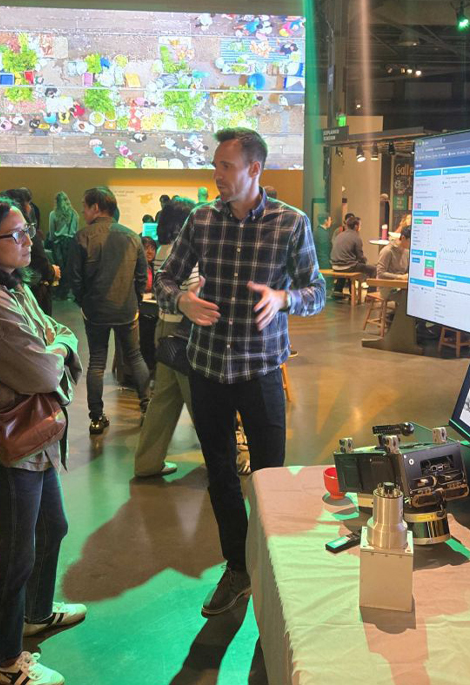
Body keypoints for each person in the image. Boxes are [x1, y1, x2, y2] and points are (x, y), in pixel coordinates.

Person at [155, 128, 325, 616]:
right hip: (207, 368)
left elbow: (317, 291)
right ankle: (237, 568)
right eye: (216, 165)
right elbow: (165, 278)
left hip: (261, 371)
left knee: (271, 479)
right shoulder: (201, 220)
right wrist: (182, 301)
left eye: (226, 166)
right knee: (221, 476)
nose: (217, 175)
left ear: (254, 169)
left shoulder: (289, 223)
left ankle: (273, 567)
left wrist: (284, 298)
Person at [0, 196, 86, 685]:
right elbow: (42, 371)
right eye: (16, 234)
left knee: (53, 527)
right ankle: (5, 660)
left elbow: (59, 332)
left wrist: (56, 347)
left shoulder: (15, 287)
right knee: (14, 553)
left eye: (27, 229)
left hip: (37, 435)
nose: (28, 239)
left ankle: (35, 613)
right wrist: (56, 351)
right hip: (12, 441)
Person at [67, 186, 151, 435]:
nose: (83, 212)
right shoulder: (132, 236)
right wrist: (135, 300)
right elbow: (141, 276)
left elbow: (74, 278)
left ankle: (96, 417)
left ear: (95, 207)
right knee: (135, 356)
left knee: (97, 362)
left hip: (95, 310)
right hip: (127, 309)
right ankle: (147, 407)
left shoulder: (82, 237)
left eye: (84, 206)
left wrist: (84, 301)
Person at [134, 198, 198, 477]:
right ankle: (222, 462)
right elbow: (194, 291)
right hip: (184, 332)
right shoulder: (184, 252)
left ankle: (147, 462)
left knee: (163, 400)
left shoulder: (162, 249)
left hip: (164, 329)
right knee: (200, 400)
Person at [3, 188, 58, 316]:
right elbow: (40, 261)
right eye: (17, 234)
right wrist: (52, 271)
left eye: (27, 231)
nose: (29, 242)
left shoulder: (20, 284)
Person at [330, 215, 375, 296]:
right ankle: (370, 295)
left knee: (351, 264)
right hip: (347, 267)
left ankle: (341, 292)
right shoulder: (356, 237)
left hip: (334, 266)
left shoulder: (340, 235)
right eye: (360, 225)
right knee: (373, 269)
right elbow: (360, 257)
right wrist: (365, 261)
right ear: (356, 226)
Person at [46, 191, 78, 276]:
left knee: (59, 269)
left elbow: (51, 233)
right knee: (70, 268)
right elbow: (75, 231)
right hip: (71, 243)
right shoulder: (74, 214)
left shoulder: (53, 214)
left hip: (58, 244)